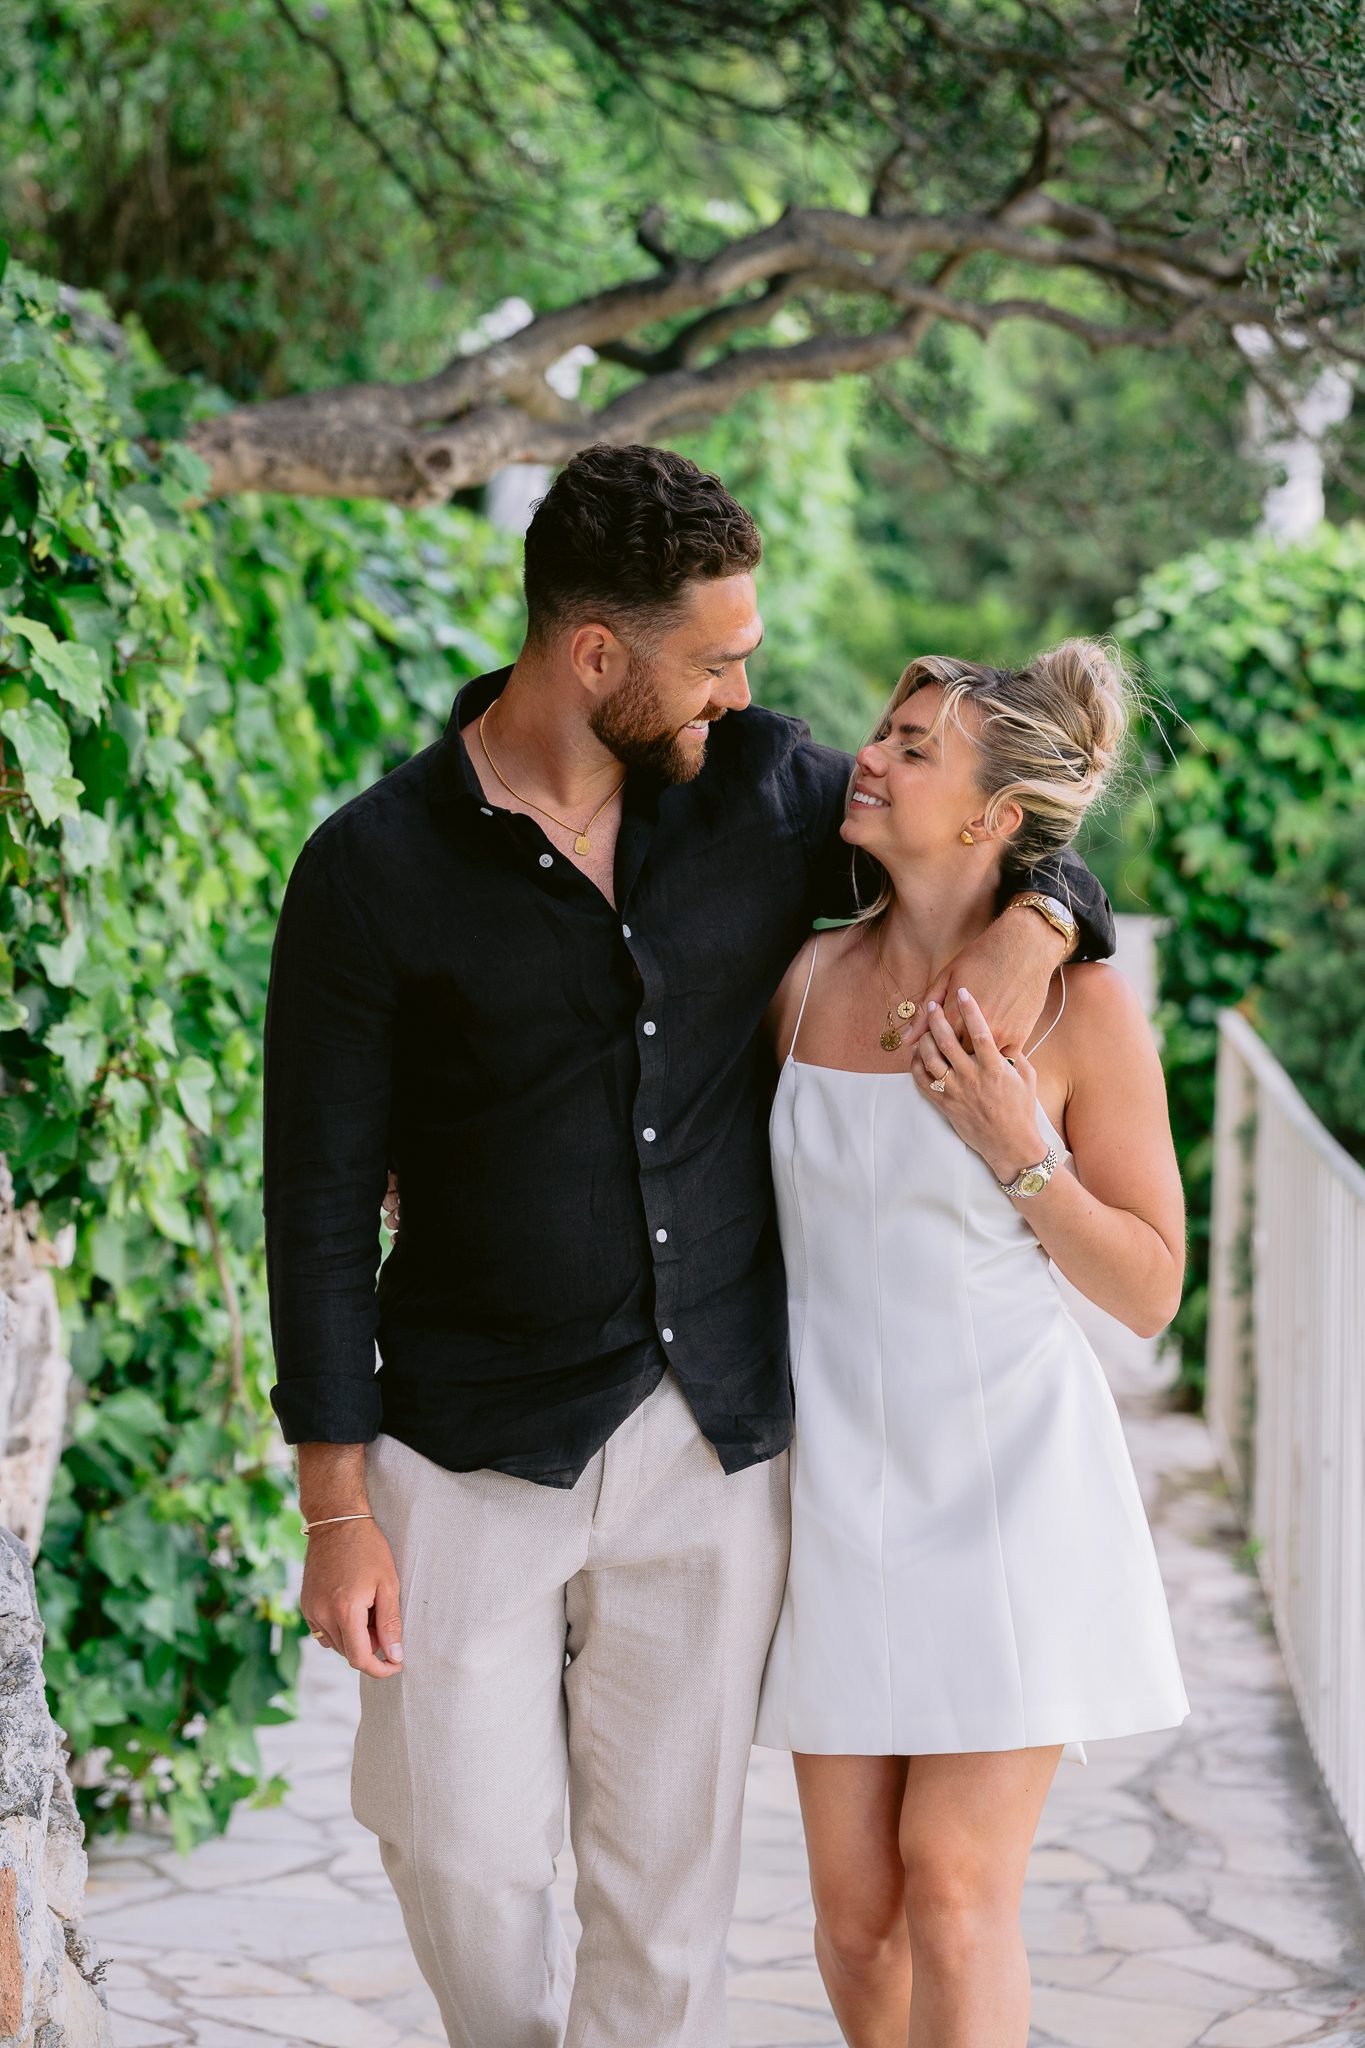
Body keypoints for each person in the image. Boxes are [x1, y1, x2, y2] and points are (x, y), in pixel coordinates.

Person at [261, 443, 1116, 2048]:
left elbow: (986, 829)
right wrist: (335, 1504)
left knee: (665, 1888)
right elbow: (312, 1202)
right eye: (715, 659)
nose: (743, 691)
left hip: (707, 1439)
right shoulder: (371, 869)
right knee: (460, 1853)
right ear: (597, 655)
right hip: (465, 1440)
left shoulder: (763, 790)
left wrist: (1047, 917)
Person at [753, 643, 1189, 2048]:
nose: (869, 758)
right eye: (883, 732)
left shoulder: (1079, 1010)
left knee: (951, 1890)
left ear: (995, 818)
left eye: (912, 747)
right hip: (834, 1491)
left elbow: (1150, 1288)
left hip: (1010, 1487)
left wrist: (1021, 1154)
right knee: (855, 1920)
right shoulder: (801, 981)